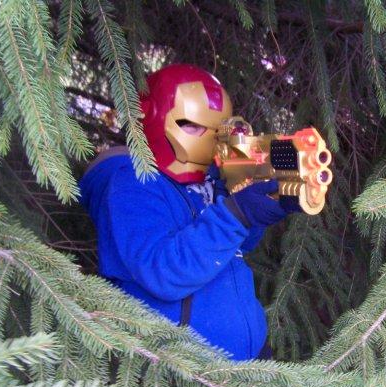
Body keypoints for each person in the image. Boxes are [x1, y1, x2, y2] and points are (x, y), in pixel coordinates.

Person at [79, 64, 297, 360]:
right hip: (183, 370)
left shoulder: (209, 178)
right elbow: (163, 272)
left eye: (216, 130)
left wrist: (263, 207)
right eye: (192, 125)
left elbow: (236, 247)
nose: (206, 139)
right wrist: (238, 213)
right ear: (153, 117)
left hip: (251, 358)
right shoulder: (130, 183)